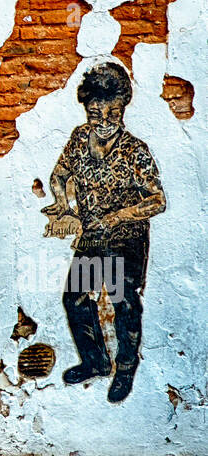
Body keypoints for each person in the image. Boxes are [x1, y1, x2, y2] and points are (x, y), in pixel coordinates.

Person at [43, 61, 165, 403]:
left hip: (125, 239)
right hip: (92, 236)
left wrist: (115, 217)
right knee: (75, 298)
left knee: (123, 303)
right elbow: (59, 175)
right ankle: (96, 361)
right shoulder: (79, 138)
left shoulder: (134, 150)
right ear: (87, 109)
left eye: (113, 111)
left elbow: (157, 200)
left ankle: (125, 370)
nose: (105, 120)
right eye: (96, 112)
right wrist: (63, 204)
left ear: (123, 107)